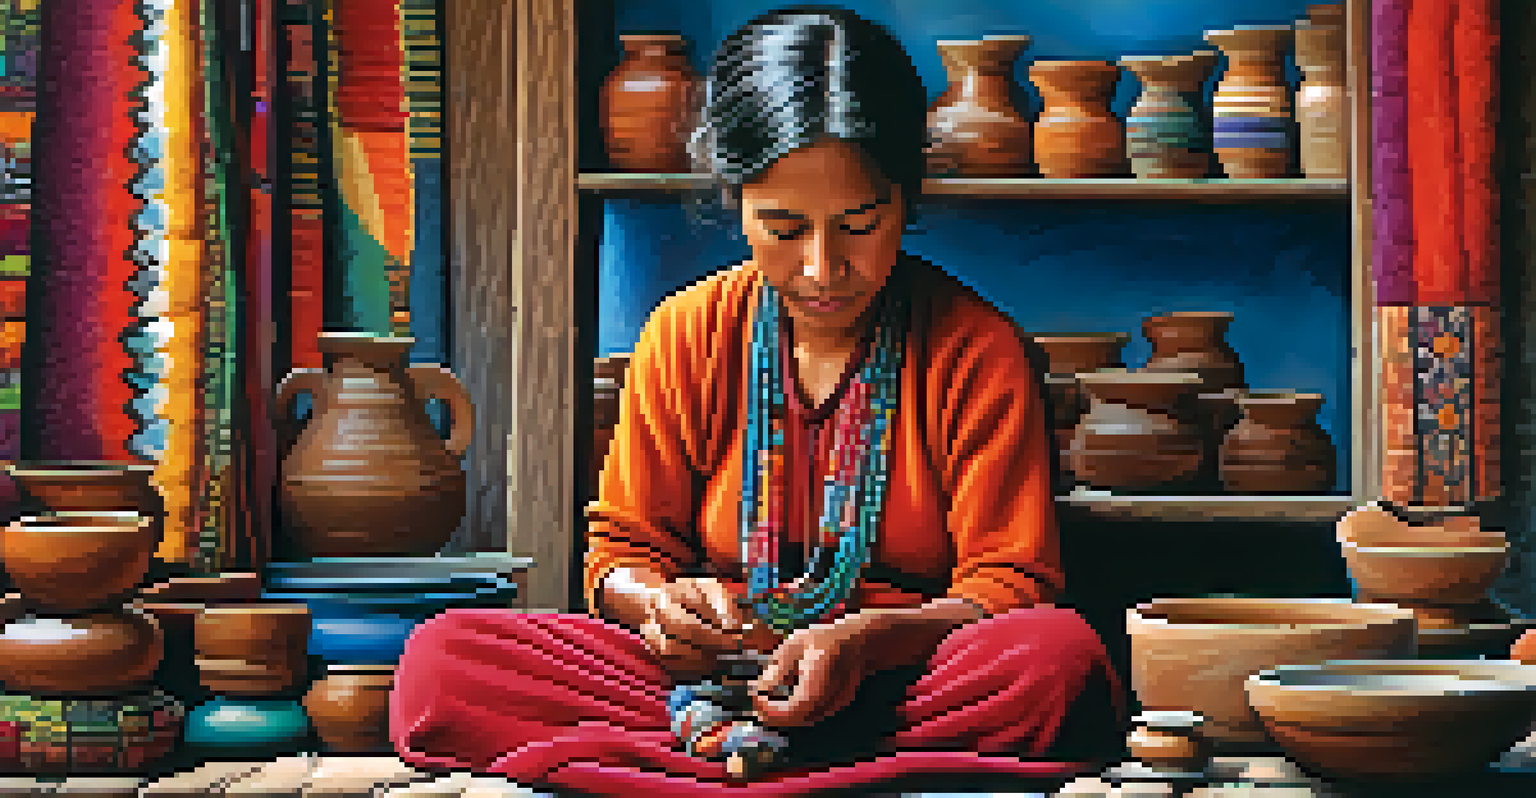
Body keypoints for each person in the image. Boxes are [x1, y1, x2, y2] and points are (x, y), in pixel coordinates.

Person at [390, 6, 1124, 794]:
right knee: (442, 660)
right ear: (735, 199)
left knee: (1057, 664)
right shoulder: (686, 332)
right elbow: (621, 554)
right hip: (705, 678)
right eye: (782, 227)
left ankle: (716, 765)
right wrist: (659, 606)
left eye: (858, 225)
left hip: (897, 676)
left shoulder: (975, 350)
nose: (821, 267)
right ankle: (813, 763)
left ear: (906, 199)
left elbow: (1008, 587)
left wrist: (868, 642)